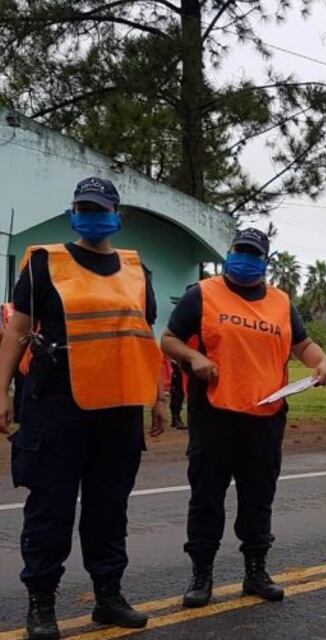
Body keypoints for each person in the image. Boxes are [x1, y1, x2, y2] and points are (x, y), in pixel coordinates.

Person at [0, 177, 167, 640]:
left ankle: (108, 596)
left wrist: (159, 396)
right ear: (74, 212)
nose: (92, 215)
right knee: (50, 509)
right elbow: (17, 331)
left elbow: (144, 338)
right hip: (56, 404)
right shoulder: (43, 264)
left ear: (116, 215)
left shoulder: (137, 270)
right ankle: (41, 603)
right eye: (83, 207)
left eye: (100, 208)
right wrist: (2, 390)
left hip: (117, 407)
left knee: (108, 508)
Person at [161, 228, 326, 609]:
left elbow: (303, 345)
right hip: (215, 414)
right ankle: (201, 574)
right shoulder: (202, 295)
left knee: (258, 497)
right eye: (239, 251)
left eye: (253, 253)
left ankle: (256, 571)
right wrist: (193, 358)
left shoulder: (281, 303)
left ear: (265, 260)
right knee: (207, 496)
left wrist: (323, 362)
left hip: (265, 415)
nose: (245, 259)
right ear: (229, 254)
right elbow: (169, 339)